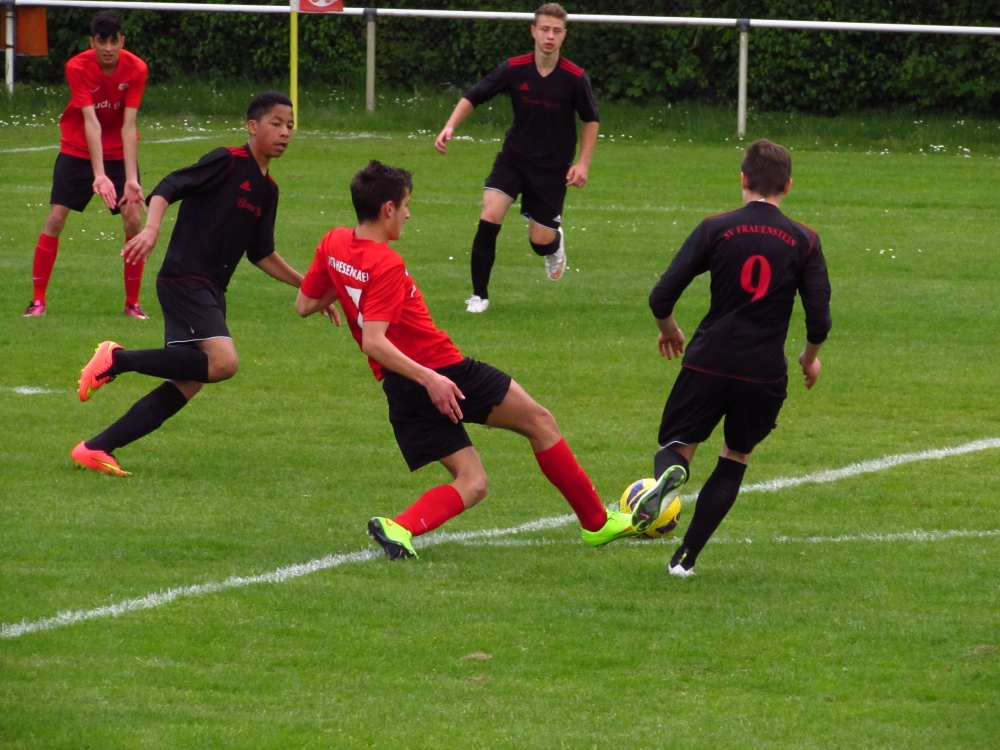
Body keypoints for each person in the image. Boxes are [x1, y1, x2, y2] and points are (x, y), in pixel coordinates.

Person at [295, 160, 634, 559]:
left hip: (399, 386)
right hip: (441, 370)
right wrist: (432, 379)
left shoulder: (334, 242)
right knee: (541, 423)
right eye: (405, 205)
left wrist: (345, 286)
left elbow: (304, 304)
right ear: (388, 208)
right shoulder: (386, 263)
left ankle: (398, 528)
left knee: (473, 482)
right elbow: (374, 341)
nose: (408, 213)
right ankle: (597, 523)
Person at [71, 92, 336, 476]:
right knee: (224, 363)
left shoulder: (269, 190)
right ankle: (117, 359)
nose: (285, 133)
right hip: (185, 278)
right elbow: (169, 186)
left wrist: (308, 286)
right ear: (252, 126)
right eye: (276, 124)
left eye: (290, 126)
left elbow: (262, 253)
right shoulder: (227, 160)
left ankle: (96, 447)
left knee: (189, 380)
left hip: (211, 288)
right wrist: (152, 228)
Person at [630, 139, 832, 577]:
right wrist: (808, 358)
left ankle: (671, 477)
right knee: (735, 456)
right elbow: (820, 320)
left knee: (677, 446)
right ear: (788, 186)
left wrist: (670, 329)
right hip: (762, 373)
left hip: (708, 360)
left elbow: (661, 296)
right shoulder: (805, 241)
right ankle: (685, 559)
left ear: (743, 179)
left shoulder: (715, 228)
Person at [434, 2, 599, 313]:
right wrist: (450, 126)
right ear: (533, 31)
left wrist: (583, 163)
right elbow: (475, 95)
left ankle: (554, 244)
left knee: (540, 243)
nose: (550, 36)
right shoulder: (514, 68)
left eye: (557, 31)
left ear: (564, 35)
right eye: (545, 29)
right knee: (490, 214)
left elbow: (591, 119)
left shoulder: (575, 78)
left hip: (552, 168)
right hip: (514, 157)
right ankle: (479, 295)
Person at [24, 11, 150, 318]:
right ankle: (37, 301)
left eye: (114, 41)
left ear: (122, 41)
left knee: (133, 219)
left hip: (118, 152)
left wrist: (130, 179)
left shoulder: (136, 68)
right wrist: (99, 175)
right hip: (77, 147)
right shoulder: (77, 66)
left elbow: (128, 126)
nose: (108, 48)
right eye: (102, 41)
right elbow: (91, 122)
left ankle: (132, 303)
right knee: (56, 218)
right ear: (92, 42)